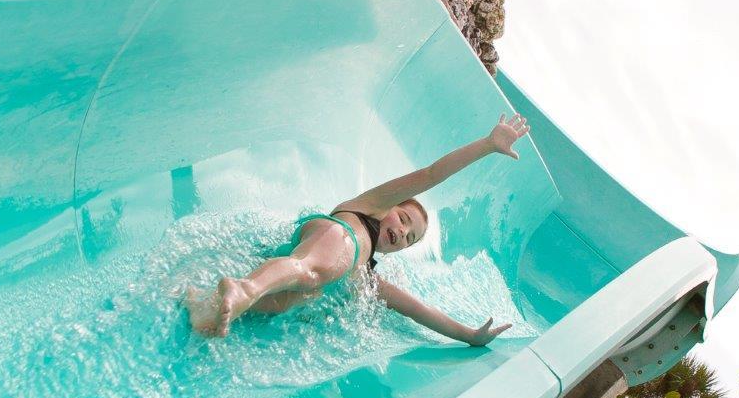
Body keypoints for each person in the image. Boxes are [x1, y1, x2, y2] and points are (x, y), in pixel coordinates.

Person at [185, 113, 531, 346]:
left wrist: (469, 335)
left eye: (409, 239)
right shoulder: (371, 206)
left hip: (318, 254)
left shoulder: (366, 275)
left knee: (294, 298)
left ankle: (207, 304)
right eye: (404, 220)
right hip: (335, 236)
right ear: (391, 206)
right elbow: (431, 174)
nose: (402, 233)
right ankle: (243, 288)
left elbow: (418, 310)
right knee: (310, 274)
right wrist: (487, 145)